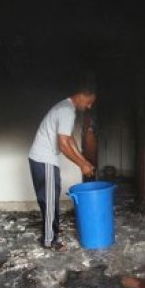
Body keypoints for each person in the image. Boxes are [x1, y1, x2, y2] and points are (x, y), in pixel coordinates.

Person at [29, 85, 96, 251]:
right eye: (89, 102)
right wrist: (82, 166)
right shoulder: (67, 111)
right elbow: (63, 144)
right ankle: (49, 240)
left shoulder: (65, 107)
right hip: (44, 160)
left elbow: (70, 139)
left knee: (48, 199)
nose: (89, 107)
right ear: (81, 95)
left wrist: (84, 161)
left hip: (40, 158)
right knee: (50, 201)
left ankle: (51, 230)